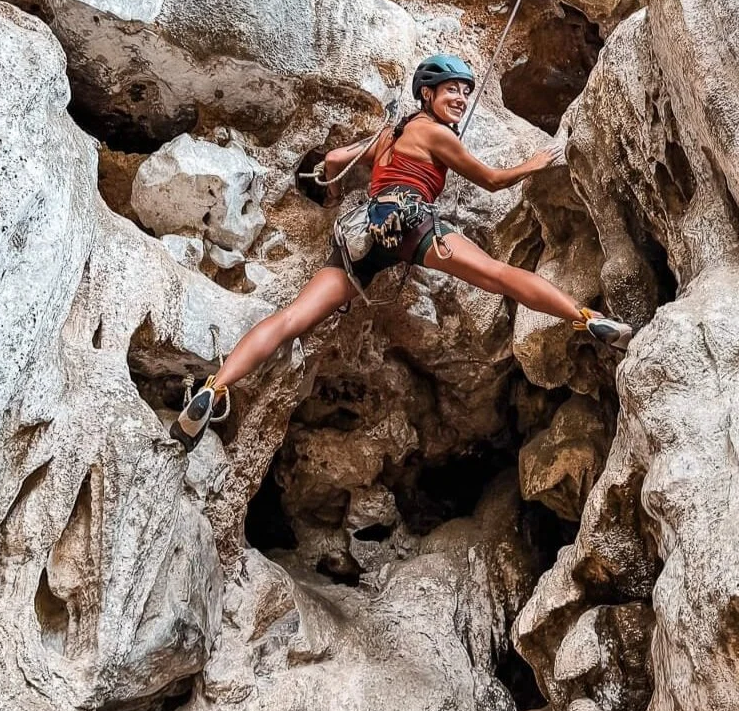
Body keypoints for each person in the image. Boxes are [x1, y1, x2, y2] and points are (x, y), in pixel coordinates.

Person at [170, 54, 634, 451]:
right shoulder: (436, 134)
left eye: (464, 93)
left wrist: (331, 200)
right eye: (451, 90)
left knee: (292, 319)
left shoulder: (388, 136)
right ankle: (586, 318)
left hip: (359, 240)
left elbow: (333, 163)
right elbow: (490, 181)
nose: (460, 99)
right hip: (412, 226)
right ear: (427, 96)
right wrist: (531, 164)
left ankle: (217, 387)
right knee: (497, 276)